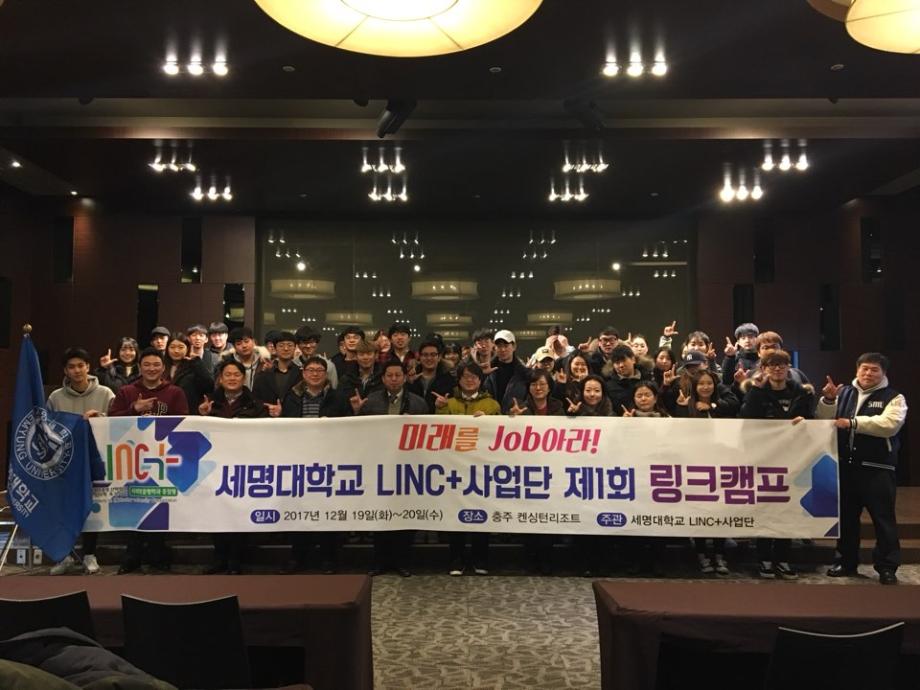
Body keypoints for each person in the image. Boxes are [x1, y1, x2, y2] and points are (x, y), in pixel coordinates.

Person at [819, 353, 908, 585]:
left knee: (883, 520)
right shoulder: (844, 392)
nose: (868, 373)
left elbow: (889, 425)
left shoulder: (894, 397)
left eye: (874, 370)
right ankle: (846, 562)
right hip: (846, 467)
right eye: (864, 368)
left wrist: (853, 423)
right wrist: (828, 400)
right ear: (857, 370)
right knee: (847, 520)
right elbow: (824, 420)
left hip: (878, 468)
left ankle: (887, 567)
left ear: (883, 373)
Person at [108, 348, 189, 574]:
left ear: (163, 368)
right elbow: (111, 421)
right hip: (131, 457)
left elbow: (185, 422)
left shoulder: (175, 392)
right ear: (139, 367)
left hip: (164, 459)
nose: (151, 368)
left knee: (160, 504)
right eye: (147, 364)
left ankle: (157, 554)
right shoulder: (126, 391)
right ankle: (132, 555)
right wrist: (133, 409)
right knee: (133, 502)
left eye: (156, 365)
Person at [739, 349, 814, 580]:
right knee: (765, 509)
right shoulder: (757, 393)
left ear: (789, 367)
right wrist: (756, 390)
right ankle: (763, 558)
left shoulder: (802, 392)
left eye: (782, 364)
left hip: (794, 460)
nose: (777, 369)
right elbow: (746, 421)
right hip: (764, 460)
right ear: (764, 369)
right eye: (772, 365)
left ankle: (782, 558)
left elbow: (813, 422)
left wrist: (805, 422)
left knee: (787, 509)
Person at [351, 360, 427, 577]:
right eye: (389, 375)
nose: (394, 379)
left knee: (405, 516)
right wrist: (357, 412)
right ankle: (379, 561)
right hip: (379, 465)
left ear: (405, 377)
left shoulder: (418, 403)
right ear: (383, 378)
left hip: (408, 466)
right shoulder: (371, 401)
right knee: (381, 514)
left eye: (398, 375)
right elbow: (359, 433)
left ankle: (403, 561)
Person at [199, 359, 273, 574]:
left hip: (244, 467)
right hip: (214, 467)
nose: (232, 378)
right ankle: (219, 557)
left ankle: (236, 559)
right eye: (227, 375)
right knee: (216, 512)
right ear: (220, 379)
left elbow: (265, 434)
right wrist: (202, 416)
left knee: (239, 512)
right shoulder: (208, 403)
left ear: (244, 378)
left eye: (236, 374)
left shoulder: (256, 404)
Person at [47, 347, 115, 576]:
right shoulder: (55, 398)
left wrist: (100, 418)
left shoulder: (105, 393)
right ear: (65, 371)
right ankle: (64, 555)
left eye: (80, 366)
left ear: (88, 367)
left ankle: (89, 555)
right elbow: (48, 429)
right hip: (66, 463)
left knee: (92, 508)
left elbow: (118, 423)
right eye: (71, 367)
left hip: (96, 461)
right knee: (64, 509)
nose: (76, 370)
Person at [281, 355, 351, 573]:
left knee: (327, 511)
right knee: (299, 510)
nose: (315, 374)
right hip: (299, 461)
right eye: (310, 370)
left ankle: (329, 558)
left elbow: (349, 428)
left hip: (328, 461)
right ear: (303, 373)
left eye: (319, 370)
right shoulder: (291, 396)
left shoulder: (338, 397)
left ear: (326, 374)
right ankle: (297, 557)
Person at [435, 361, 501, 575]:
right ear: (459, 380)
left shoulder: (492, 404)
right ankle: (456, 559)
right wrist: (440, 409)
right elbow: (438, 432)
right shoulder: (449, 402)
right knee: (455, 514)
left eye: (474, 377)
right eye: (465, 377)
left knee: (482, 513)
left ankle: (481, 559)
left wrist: (488, 422)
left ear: (480, 380)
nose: (470, 380)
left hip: (482, 468)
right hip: (454, 467)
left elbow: (500, 433)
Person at [509, 369, 565, 574]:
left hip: (553, 469)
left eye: (542, 384)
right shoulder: (520, 407)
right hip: (528, 470)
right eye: (534, 384)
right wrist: (513, 419)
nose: (538, 388)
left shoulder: (559, 407)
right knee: (529, 516)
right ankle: (530, 559)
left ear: (549, 387)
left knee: (548, 516)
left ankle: (547, 559)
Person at [164, 332, 214, 413]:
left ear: (187, 348)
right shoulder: (162, 367)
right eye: (172, 347)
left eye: (181, 347)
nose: (176, 351)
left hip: (189, 413)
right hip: (166, 413)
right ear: (167, 349)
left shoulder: (195, 366)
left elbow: (209, 385)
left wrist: (196, 361)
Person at [485, 329, 529, 413]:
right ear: (495, 348)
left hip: (515, 417)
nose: (502, 349)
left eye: (506, 346)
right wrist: (482, 374)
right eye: (499, 346)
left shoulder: (523, 372)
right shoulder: (488, 370)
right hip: (490, 416)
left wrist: (522, 408)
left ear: (514, 346)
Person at [252, 330, 301, 405]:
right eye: (281, 345)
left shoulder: (301, 374)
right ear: (275, 348)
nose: (286, 348)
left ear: (295, 348)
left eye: (290, 345)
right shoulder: (263, 375)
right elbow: (256, 400)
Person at [408, 338, 455, 413]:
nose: (429, 358)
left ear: (439, 357)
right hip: (412, 419)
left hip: (438, 419)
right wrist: (408, 383)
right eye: (425, 355)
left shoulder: (449, 380)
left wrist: (444, 405)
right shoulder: (411, 377)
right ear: (419, 357)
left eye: (433, 355)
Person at [605, 344, 650, 415]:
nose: (621, 365)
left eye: (623, 360)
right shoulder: (608, 386)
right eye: (617, 363)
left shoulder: (648, 380)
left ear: (633, 359)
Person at [293, 325, 337, 389]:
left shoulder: (328, 365)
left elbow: (334, 389)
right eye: (304, 342)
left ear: (317, 343)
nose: (308, 346)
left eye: (311, 342)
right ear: (298, 344)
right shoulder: (293, 364)